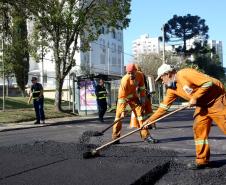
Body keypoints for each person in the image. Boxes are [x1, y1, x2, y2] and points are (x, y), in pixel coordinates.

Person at [145, 63, 226, 170]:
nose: (162, 82)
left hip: (217, 99)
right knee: (198, 128)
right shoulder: (171, 90)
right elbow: (163, 108)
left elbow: (208, 83)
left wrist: (195, 97)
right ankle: (202, 160)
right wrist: (150, 120)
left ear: (168, 74)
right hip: (202, 105)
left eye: (162, 79)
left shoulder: (185, 74)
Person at [112, 63, 158, 144]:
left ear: (136, 71)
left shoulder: (140, 75)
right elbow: (122, 98)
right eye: (128, 73)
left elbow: (142, 87)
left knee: (140, 116)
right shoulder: (125, 80)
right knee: (118, 117)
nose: (130, 75)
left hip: (133, 97)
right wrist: (123, 111)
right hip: (123, 99)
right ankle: (116, 137)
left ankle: (146, 136)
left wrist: (143, 98)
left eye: (132, 73)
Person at [130, 64, 156, 129]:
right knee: (149, 111)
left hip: (142, 95)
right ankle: (152, 125)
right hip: (146, 95)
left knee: (140, 111)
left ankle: (139, 124)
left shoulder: (138, 74)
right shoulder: (143, 75)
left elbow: (137, 86)